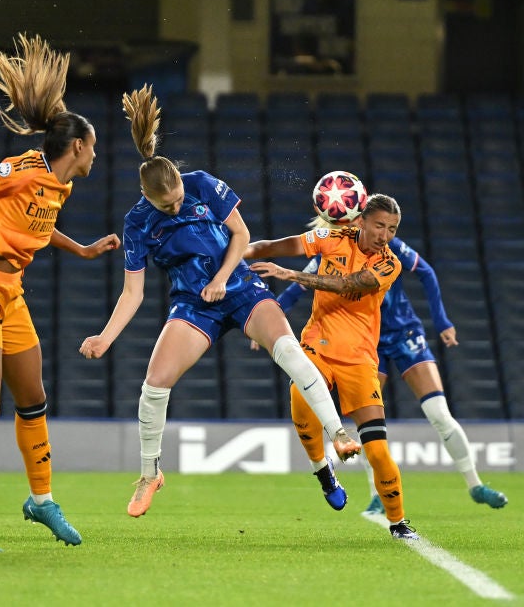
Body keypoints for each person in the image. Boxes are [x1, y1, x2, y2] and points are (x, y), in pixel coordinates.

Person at [78, 85, 361, 518]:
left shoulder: (202, 185)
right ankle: (150, 472)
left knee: (288, 350)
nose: (173, 207)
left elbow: (243, 236)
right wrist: (105, 336)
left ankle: (338, 433)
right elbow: (132, 292)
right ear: (148, 197)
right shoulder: (137, 223)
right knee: (154, 384)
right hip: (193, 304)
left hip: (240, 287)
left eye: (176, 201)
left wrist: (222, 278)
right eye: (165, 204)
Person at [0, 34, 120, 552]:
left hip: (11, 294)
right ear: (79, 146)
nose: (96, 154)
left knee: (34, 399)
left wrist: (81, 250)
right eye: (94, 146)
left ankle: (40, 501)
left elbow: (35, 226)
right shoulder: (23, 169)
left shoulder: (59, 186)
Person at [262, 212, 507, 512]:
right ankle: (377, 494)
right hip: (366, 342)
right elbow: (299, 287)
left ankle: (475, 485)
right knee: (369, 422)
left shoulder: (388, 248)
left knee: (439, 413)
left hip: (405, 332)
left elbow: (426, 271)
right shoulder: (335, 247)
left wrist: (442, 321)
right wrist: (270, 317)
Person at [245, 193, 420, 539]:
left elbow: (348, 286)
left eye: (393, 228)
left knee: (378, 452)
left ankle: (398, 523)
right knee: (299, 397)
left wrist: (289, 275)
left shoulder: (389, 264)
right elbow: (272, 245)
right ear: (361, 221)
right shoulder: (331, 238)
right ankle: (323, 471)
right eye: (380, 225)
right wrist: (232, 251)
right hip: (317, 346)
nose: (385, 235)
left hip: (359, 359)